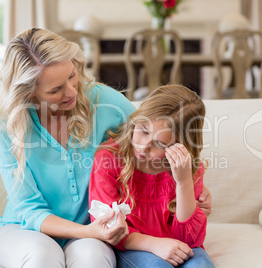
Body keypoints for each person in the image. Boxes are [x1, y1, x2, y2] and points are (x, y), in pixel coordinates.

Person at [0, 28, 212, 267]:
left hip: (93, 229)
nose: (72, 91)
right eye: (55, 89)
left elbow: (155, 133)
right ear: (28, 93)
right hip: (25, 230)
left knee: (92, 258)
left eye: (72, 76)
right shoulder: (8, 126)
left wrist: (193, 186)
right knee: (43, 255)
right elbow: (29, 210)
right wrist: (91, 232)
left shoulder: (103, 100)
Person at [89, 85, 215, 267]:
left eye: (160, 143)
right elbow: (108, 227)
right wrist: (155, 244)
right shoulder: (109, 159)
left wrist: (183, 182)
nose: (144, 146)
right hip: (134, 247)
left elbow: (190, 239)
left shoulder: (186, 169)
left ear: (180, 146)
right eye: (144, 131)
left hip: (180, 245)